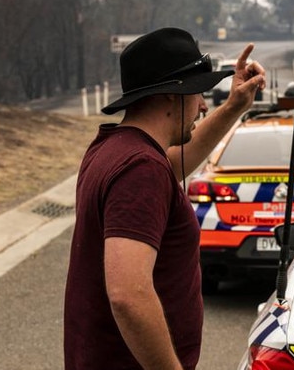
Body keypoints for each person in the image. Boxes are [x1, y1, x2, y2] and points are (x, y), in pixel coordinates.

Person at [63, 27, 266, 369]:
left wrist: (234, 108)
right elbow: (128, 295)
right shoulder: (140, 170)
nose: (203, 105)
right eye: (198, 93)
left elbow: (171, 165)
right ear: (173, 96)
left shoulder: (117, 149)